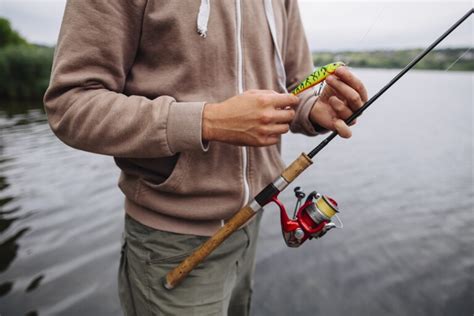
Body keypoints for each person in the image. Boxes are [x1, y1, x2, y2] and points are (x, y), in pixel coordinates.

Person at [44, 0, 367, 315]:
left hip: (251, 227)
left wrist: (314, 110)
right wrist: (208, 121)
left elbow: (294, 86)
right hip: (170, 243)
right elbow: (71, 104)